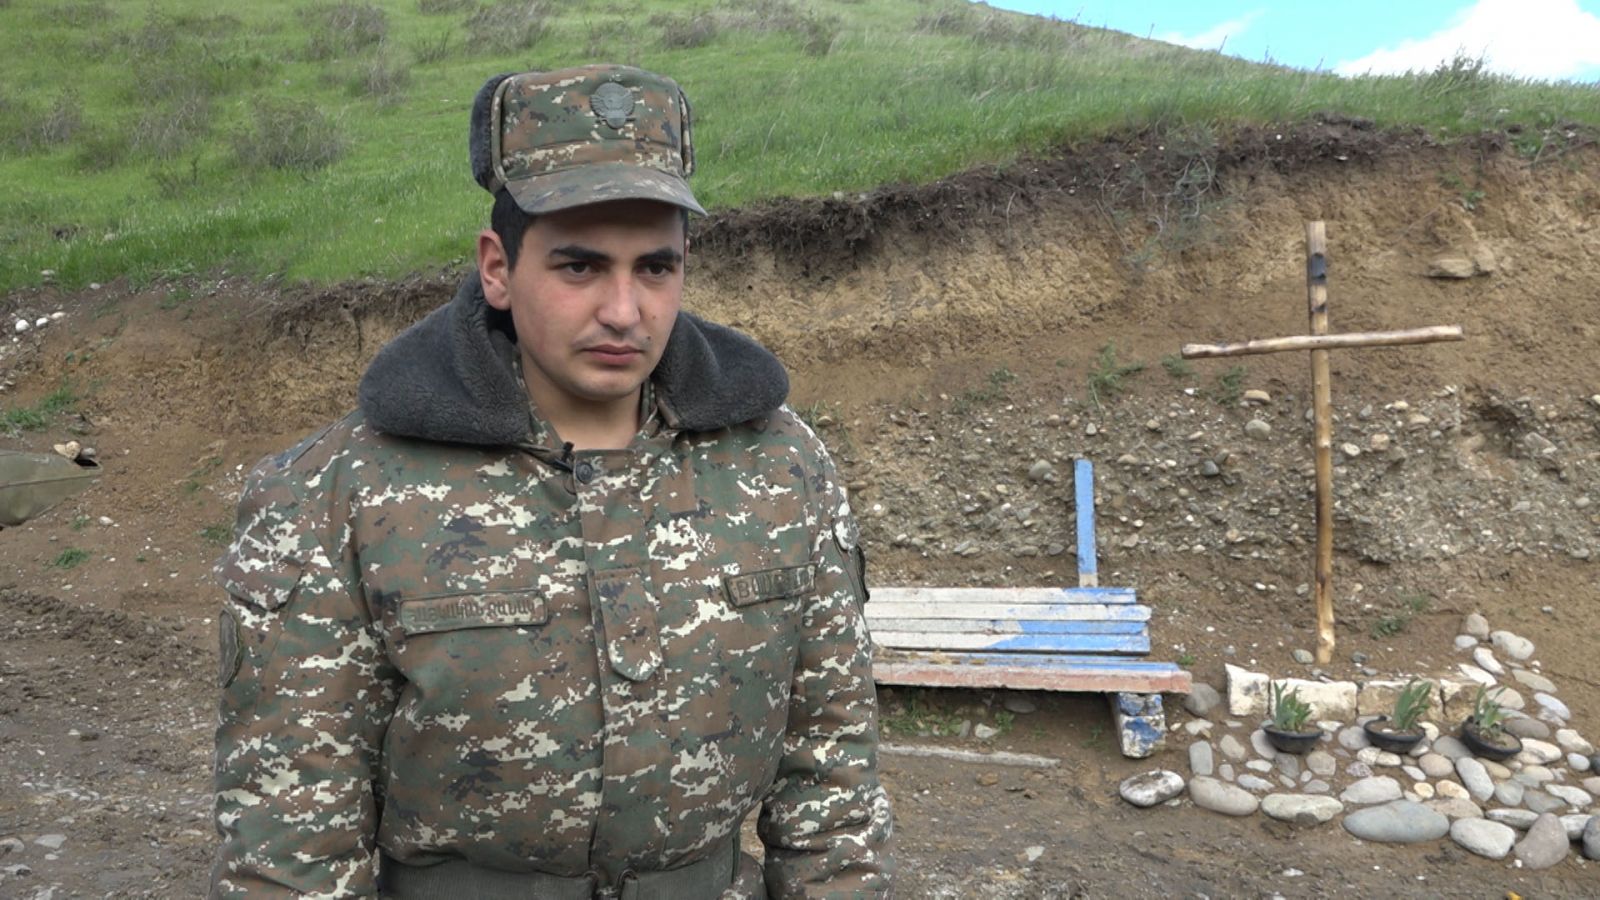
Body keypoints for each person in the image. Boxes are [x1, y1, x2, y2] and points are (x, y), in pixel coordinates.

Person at [209, 64, 894, 899]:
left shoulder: (780, 465)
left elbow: (832, 770)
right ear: (497, 268)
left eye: (655, 268)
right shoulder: (338, 490)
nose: (623, 311)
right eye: (579, 267)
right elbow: (291, 834)